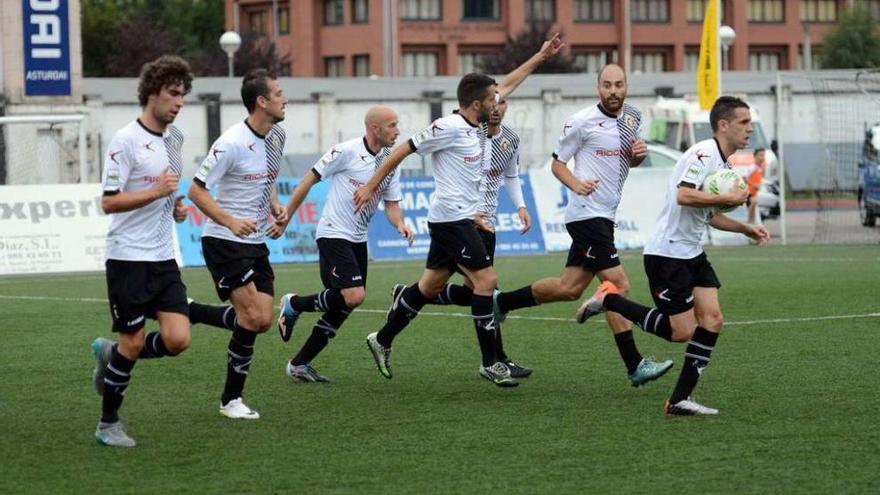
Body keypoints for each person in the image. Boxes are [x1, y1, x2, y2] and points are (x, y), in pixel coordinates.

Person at [354, 35, 564, 388]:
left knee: (428, 287)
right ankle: (490, 363)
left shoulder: (478, 125)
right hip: (449, 220)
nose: (498, 103)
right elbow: (401, 151)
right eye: (492, 100)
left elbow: (509, 81)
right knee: (486, 281)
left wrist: (540, 56)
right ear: (476, 104)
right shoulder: (447, 128)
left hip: (464, 218)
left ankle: (383, 338)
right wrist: (372, 185)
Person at [578, 96, 771, 416]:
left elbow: (708, 215)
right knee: (681, 331)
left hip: (691, 252)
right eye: (744, 123)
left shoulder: (722, 163)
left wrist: (744, 228)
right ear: (723, 125)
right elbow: (684, 195)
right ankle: (609, 299)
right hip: (668, 254)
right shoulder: (703, 153)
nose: (750, 129)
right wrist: (724, 196)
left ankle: (679, 399)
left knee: (712, 320)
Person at [489, 64, 673, 387]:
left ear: (626, 85)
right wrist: (576, 185)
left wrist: (638, 156)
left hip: (605, 214)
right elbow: (557, 164)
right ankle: (635, 365)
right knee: (618, 285)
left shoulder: (632, 118)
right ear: (597, 87)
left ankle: (501, 302)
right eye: (606, 85)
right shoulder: (581, 122)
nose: (613, 91)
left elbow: (625, 160)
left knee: (569, 287)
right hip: (587, 215)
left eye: (618, 84)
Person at [89, 55, 194, 447]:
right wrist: (157, 192)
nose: (179, 102)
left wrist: (177, 209)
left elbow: (167, 193)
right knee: (134, 341)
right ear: (152, 93)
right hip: (127, 257)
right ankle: (108, 424)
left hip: (163, 256)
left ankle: (112, 355)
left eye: (182, 95)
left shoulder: (175, 140)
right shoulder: (125, 140)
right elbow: (109, 202)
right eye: (172, 93)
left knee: (177, 339)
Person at [272, 106, 414, 382]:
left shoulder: (391, 161)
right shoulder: (345, 151)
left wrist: (399, 224)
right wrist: (286, 217)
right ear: (374, 128)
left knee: (344, 305)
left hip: (358, 239)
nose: (398, 131)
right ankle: (294, 304)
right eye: (392, 125)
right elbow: (308, 180)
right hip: (333, 233)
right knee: (355, 295)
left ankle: (299, 363)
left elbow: (392, 204)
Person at [186, 69, 288, 420]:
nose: (284, 97)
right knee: (253, 315)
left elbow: (268, 177)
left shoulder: (277, 136)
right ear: (261, 102)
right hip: (224, 240)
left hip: (255, 240)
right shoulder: (230, 142)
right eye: (278, 92)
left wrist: (274, 206)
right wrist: (229, 220)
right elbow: (196, 190)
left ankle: (193, 312)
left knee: (260, 321)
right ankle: (231, 400)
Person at [415, 95, 534, 378]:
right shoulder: (469, 132)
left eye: (503, 103)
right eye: (493, 102)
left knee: (473, 289)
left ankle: (412, 296)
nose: (497, 108)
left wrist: (521, 206)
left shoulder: (511, 140)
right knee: (486, 287)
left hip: (486, 223)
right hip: (461, 221)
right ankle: (495, 360)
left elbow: (511, 175)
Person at [743, 148, 766, 224]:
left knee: (754, 206)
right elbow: (744, 177)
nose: (762, 158)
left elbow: (760, 179)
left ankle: (751, 223)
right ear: (755, 156)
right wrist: (753, 185)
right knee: (753, 203)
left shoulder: (760, 168)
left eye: (763, 155)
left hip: (755, 193)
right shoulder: (752, 167)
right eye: (760, 155)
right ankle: (749, 222)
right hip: (750, 192)